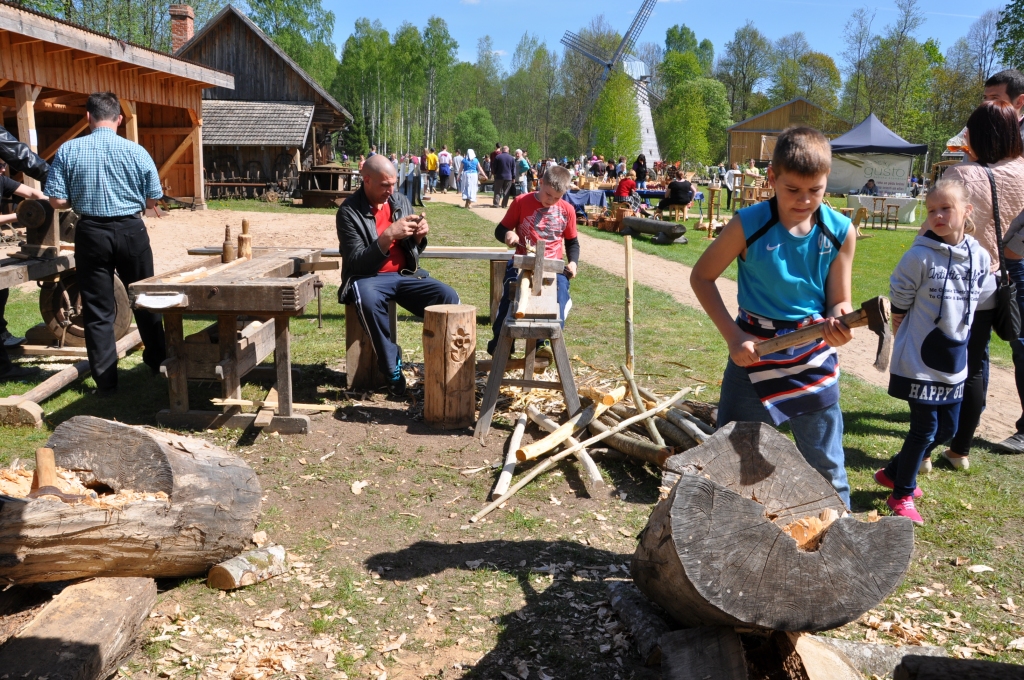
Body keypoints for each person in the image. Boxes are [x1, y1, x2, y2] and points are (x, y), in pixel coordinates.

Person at [690, 127, 856, 507]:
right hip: (753, 356)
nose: (804, 200)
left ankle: (842, 534)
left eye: (815, 190)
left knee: (827, 468)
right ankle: (725, 529)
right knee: (731, 457)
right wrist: (733, 337)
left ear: (827, 180)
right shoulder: (749, 224)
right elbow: (701, 277)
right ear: (772, 178)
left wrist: (841, 322)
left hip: (812, 359)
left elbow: (839, 301)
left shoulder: (839, 232)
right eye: (792, 189)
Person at [877, 180, 992, 523]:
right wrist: (901, 323)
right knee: (925, 428)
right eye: (931, 210)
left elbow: (980, 294)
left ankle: (893, 472)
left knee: (947, 430)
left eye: (946, 208)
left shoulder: (979, 255)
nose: (938, 216)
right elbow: (899, 295)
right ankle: (901, 494)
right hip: (918, 359)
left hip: (954, 359)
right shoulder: (919, 255)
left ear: (966, 211)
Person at [45, 91, 167, 394]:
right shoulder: (136, 151)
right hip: (131, 231)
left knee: (98, 309)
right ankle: (159, 363)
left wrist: (78, 197)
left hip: (91, 232)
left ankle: (106, 383)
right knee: (145, 298)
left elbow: (57, 200)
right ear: (119, 119)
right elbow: (154, 198)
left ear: (88, 117)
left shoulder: (69, 149)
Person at [939, 100, 1024, 459]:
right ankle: (960, 448)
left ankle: (927, 444)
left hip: (958, 277)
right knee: (976, 363)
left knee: (942, 359)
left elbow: (937, 226)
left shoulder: (962, 174)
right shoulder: (1022, 172)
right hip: (1000, 276)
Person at [336, 155, 459, 397]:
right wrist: (387, 236)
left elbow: (413, 250)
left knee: (449, 297)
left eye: (393, 184)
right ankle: (391, 367)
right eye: (385, 185)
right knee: (367, 301)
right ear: (366, 180)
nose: (391, 191)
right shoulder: (348, 212)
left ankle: (442, 364)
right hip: (369, 277)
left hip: (406, 274)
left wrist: (419, 237)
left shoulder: (400, 201)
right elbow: (357, 263)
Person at [487, 165, 579, 359]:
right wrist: (508, 234)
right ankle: (501, 343)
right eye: (548, 194)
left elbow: (572, 242)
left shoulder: (568, 210)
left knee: (558, 294)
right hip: (522, 262)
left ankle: (544, 342)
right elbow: (500, 230)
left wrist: (573, 263)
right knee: (511, 294)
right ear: (541, 183)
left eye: (557, 197)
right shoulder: (521, 202)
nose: (551, 200)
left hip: (553, 266)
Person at [983, 69, 1024, 136]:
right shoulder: (975, 127)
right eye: (985, 97)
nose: (985, 104)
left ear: (1019, 101)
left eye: (994, 98)